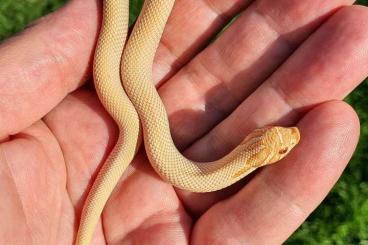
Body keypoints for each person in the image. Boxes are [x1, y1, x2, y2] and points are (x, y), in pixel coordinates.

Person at [0, 0, 367, 244]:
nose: (289, 136)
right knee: (131, 94)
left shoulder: (187, 166)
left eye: (281, 144)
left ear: (256, 145)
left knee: (131, 93)